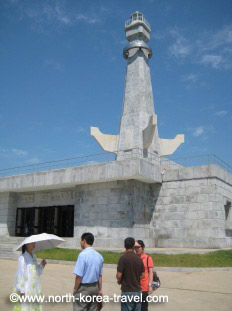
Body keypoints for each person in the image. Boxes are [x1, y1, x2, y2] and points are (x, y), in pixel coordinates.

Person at [73, 232, 104, 311]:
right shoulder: (99, 256)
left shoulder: (82, 255)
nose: (80, 243)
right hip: (94, 288)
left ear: (84, 241)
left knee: (79, 308)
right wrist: (100, 289)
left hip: (84, 288)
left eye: (81, 241)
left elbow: (79, 276)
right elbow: (100, 275)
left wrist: (75, 289)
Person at [13, 242, 47, 311]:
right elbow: (20, 274)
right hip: (26, 289)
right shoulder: (22, 258)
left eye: (34, 243)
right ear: (26, 245)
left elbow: (37, 272)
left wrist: (42, 265)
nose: (34, 245)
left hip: (34, 288)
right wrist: (22, 291)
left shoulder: (34, 256)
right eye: (32, 243)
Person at [116, 237, 145, 311]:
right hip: (138, 291)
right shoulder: (139, 259)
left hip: (127, 291)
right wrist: (135, 278)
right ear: (133, 246)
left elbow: (119, 275)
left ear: (124, 245)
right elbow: (143, 275)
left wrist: (120, 280)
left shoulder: (123, 258)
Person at [135, 240, 154, 311]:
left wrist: (150, 285)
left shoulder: (148, 258)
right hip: (134, 287)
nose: (136, 249)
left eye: (138, 247)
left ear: (142, 247)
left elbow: (151, 273)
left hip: (144, 287)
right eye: (135, 247)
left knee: (143, 308)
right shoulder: (133, 258)